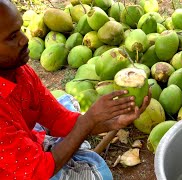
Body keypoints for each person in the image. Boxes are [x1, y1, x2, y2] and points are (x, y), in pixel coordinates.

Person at [0, 0, 151, 179]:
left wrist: (113, 122)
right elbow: (38, 171)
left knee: (68, 103)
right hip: (20, 172)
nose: (24, 40)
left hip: (24, 147)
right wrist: (89, 120)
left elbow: (57, 118)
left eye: (20, 30)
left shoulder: (20, 71)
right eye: (11, 37)